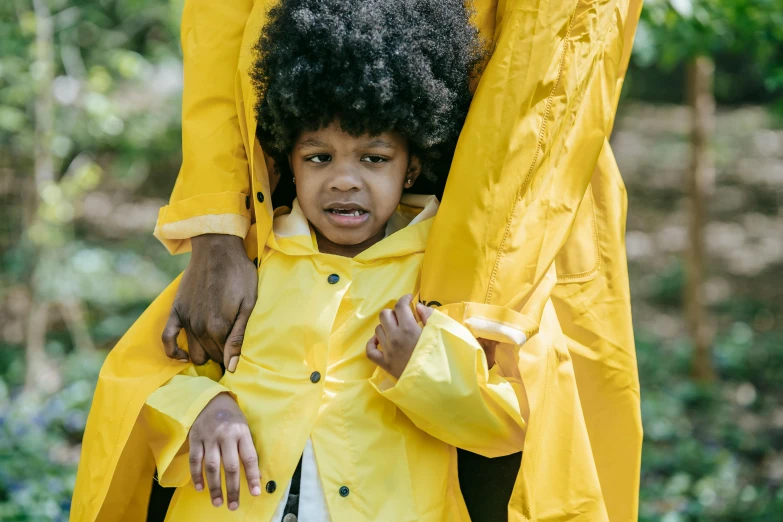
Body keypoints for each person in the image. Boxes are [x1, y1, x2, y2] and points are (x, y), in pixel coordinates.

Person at [71, 1, 645, 521]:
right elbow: (155, 382)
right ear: (288, 161)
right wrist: (202, 404)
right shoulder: (257, 267)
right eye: (320, 157)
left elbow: (506, 423)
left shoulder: (420, 292)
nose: (344, 179)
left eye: (373, 158)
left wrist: (435, 356)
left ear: (411, 168)